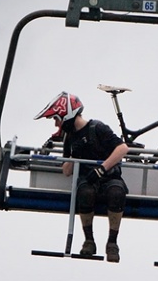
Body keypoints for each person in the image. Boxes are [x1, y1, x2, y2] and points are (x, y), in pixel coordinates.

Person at [35, 91, 129, 263]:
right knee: (84, 193)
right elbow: (66, 171)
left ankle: (112, 243)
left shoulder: (97, 128)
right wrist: (73, 155)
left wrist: (102, 168)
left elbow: (122, 149)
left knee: (116, 192)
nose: (57, 124)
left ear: (66, 115)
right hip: (87, 179)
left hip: (108, 176)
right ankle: (89, 240)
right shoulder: (70, 138)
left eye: (57, 119)